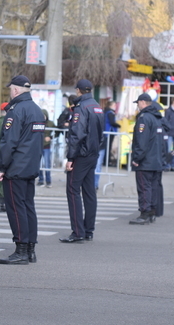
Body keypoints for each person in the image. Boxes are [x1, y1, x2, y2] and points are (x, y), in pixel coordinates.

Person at [0, 75, 45, 264]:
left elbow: (9, 142)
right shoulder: (37, 110)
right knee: (28, 207)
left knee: (16, 209)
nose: (10, 92)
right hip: (31, 166)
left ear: (16, 90)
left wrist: (1, 166)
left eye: (11, 89)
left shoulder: (16, 111)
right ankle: (30, 249)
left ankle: (21, 250)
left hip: (16, 168)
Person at [59, 79, 104, 242]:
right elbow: (101, 133)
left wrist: (71, 157)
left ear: (78, 91)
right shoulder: (97, 106)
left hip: (81, 154)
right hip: (92, 154)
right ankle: (88, 230)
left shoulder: (80, 108)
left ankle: (78, 231)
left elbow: (77, 134)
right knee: (89, 192)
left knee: (72, 190)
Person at [129, 93, 164, 224]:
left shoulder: (144, 118)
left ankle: (145, 213)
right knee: (153, 187)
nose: (137, 105)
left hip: (146, 161)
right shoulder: (156, 117)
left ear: (143, 102)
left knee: (144, 187)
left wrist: (136, 158)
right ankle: (151, 212)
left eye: (138, 103)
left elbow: (141, 142)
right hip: (156, 160)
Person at [96, 100, 120, 189]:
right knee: (107, 148)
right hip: (108, 132)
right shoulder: (110, 113)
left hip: (104, 135)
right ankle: (107, 161)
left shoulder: (105, 112)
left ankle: (95, 184)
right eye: (114, 105)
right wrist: (119, 125)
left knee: (98, 163)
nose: (115, 106)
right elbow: (112, 122)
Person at [37, 109, 56, 188]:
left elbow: (57, 131)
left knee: (47, 164)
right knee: (39, 164)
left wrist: (50, 137)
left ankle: (48, 181)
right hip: (38, 146)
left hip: (47, 147)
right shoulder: (37, 123)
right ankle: (41, 180)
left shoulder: (50, 124)